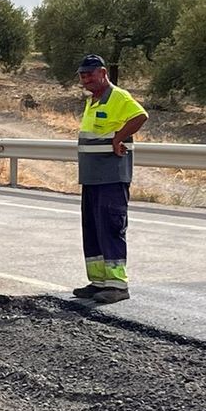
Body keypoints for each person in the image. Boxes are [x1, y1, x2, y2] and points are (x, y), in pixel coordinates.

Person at [72, 54, 147, 305]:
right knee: (93, 228)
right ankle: (99, 282)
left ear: (103, 73)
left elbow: (140, 116)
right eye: (82, 75)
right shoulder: (93, 101)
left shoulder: (118, 97)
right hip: (92, 178)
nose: (86, 79)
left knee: (111, 227)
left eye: (90, 74)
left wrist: (118, 139)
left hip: (111, 177)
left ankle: (117, 285)